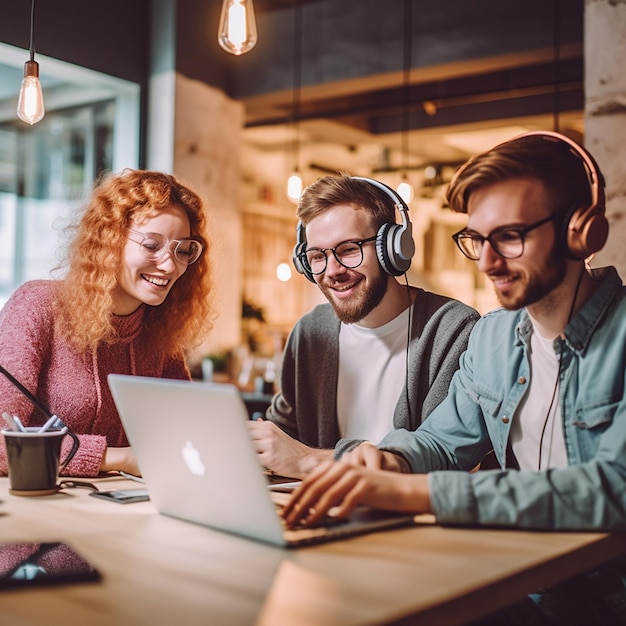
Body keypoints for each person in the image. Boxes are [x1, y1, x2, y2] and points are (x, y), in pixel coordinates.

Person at [282, 132, 626, 624]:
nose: (487, 261)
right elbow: (442, 444)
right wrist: (388, 461)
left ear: (582, 231)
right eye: (477, 240)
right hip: (522, 581)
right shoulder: (492, 340)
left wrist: (415, 493)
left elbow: (613, 488)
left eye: (509, 236)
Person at [248, 174, 479, 479]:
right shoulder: (310, 332)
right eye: (317, 256)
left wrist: (309, 460)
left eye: (348, 250)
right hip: (313, 514)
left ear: (392, 248)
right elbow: (285, 432)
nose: (332, 271)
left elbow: (440, 458)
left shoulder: (452, 330)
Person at [0, 169, 213, 478]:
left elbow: (182, 440)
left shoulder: (160, 334)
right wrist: (117, 459)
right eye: (152, 245)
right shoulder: (38, 306)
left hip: (121, 511)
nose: (170, 265)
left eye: (183, 250)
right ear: (109, 241)